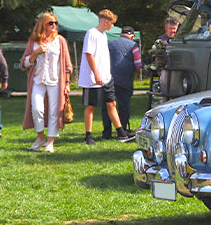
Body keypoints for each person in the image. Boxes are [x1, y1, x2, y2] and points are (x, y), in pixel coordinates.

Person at [21, 13, 73, 152]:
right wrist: (36, 52)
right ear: (43, 24)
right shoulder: (33, 41)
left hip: (55, 81)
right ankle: (40, 138)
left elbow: (67, 65)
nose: (54, 25)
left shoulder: (60, 40)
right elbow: (25, 63)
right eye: (51, 23)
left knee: (54, 111)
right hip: (38, 80)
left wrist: (67, 83)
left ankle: (50, 142)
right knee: (37, 110)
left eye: (56, 23)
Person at [78, 9, 131, 144]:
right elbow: (89, 54)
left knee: (111, 103)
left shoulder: (103, 35)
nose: (112, 26)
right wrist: (96, 74)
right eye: (112, 23)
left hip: (106, 78)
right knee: (90, 106)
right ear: (105, 22)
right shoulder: (91, 33)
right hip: (93, 79)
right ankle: (88, 136)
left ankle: (121, 133)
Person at [101, 26, 141, 140]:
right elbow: (138, 64)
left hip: (108, 79)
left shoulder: (110, 44)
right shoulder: (133, 45)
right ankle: (122, 130)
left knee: (107, 106)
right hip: (125, 79)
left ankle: (106, 133)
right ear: (132, 36)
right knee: (124, 106)